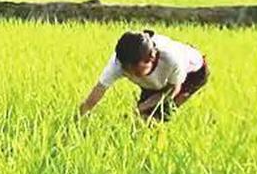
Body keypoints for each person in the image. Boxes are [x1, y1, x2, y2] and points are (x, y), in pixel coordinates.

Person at [76, 28, 209, 121]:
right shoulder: (119, 63)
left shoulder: (172, 60)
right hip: (157, 80)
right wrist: (75, 120)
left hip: (192, 73)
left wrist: (140, 108)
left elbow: (171, 91)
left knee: (159, 115)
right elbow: (96, 93)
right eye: (126, 70)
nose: (129, 74)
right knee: (142, 118)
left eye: (134, 71)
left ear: (151, 58)